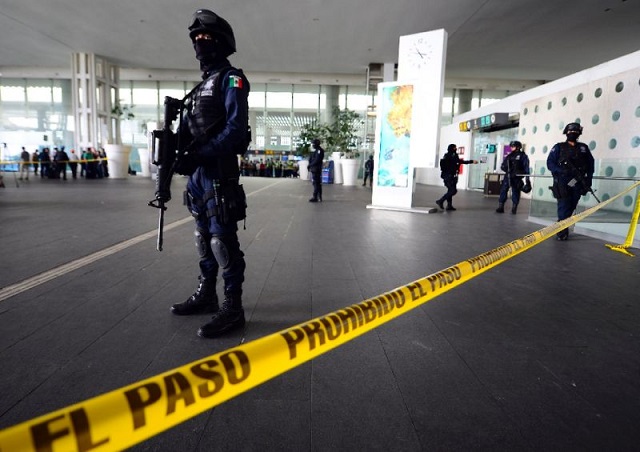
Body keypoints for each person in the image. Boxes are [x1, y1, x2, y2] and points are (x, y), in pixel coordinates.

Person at [169, 9, 250, 338]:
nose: (200, 44)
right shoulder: (199, 88)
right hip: (200, 175)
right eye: (196, 39)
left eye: (206, 38)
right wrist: (178, 152)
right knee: (203, 239)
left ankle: (233, 308)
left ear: (222, 43)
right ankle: (207, 295)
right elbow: (192, 130)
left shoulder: (233, 79)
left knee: (222, 241)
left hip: (219, 171)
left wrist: (199, 153)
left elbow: (234, 130)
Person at [546, 122, 595, 241]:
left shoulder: (583, 147)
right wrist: (561, 170)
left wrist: (588, 180)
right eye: (570, 131)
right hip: (562, 182)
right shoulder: (559, 147)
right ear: (566, 133)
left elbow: (590, 164)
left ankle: (561, 224)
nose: (573, 133)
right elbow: (550, 163)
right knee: (563, 205)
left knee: (572, 205)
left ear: (579, 133)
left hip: (577, 182)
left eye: (575, 131)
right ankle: (562, 231)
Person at [435, 144, 478, 211]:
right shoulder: (451, 156)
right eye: (455, 147)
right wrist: (471, 161)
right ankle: (440, 201)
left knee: (450, 190)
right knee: (453, 191)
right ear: (452, 148)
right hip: (449, 176)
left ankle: (449, 206)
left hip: (449, 175)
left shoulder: (448, 155)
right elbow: (459, 162)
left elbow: (457, 162)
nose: (456, 148)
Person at [496, 140, 530, 214]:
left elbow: (526, 168)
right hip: (508, 176)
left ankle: (514, 208)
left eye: (513, 146)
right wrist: (507, 169)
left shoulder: (523, 156)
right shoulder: (509, 155)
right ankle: (501, 206)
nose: (511, 148)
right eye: (511, 146)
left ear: (518, 147)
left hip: (517, 177)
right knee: (503, 190)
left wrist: (527, 180)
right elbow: (503, 166)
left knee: (515, 192)